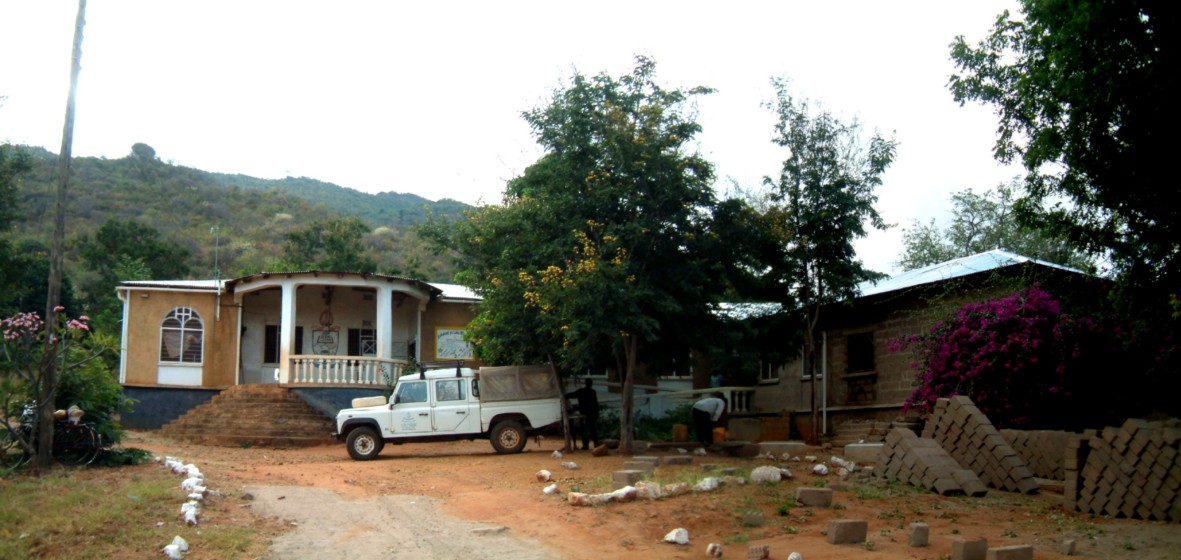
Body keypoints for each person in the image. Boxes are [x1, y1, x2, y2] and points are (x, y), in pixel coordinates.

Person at [565, 378, 600, 450]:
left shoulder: (581, 391)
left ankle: (586, 445)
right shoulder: (592, 392)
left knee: (585, 430)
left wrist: (564, 396)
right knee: (593, 429)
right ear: (591, 384)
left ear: (585, 383)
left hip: (584, 414)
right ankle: (596, 444)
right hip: (592, 413)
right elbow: (596, 404)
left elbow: (570, 395)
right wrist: (597, 413)